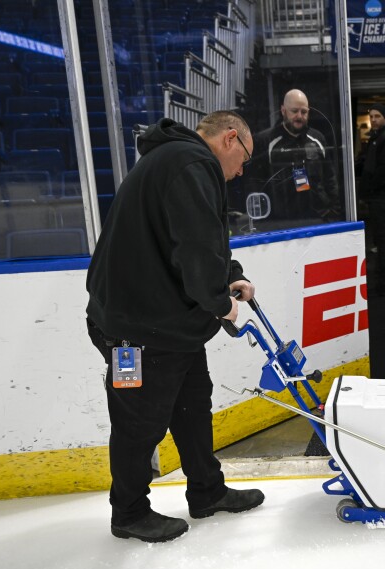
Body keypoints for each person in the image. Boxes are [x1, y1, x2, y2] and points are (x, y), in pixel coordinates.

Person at [85, 111, 264, 543]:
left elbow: (191, 238)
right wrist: (220, 302)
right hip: (139, 331)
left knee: (191, 409)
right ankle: (128, 512)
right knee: (138, 423)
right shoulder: (190, 163)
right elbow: (196, 247)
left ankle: (207, 491)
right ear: (230, 138)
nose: (241, 170)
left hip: (166, 325)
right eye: (244, 158)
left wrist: (229, 274)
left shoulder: (177, 161)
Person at [247, 89, 339, 222]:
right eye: (294, 111)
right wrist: (261, 219)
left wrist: (334, 211)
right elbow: (254, 182)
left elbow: (330, 177)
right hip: (280, 222)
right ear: (283, 111)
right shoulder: (265, 141)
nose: (300, 116)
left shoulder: (318, 139)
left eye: (304, 112)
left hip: (318, 217)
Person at [357, 103, 385, 297]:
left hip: (382, 197)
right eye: (371, 116)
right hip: (377, 196)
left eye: (377, 116)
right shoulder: (377, 137)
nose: (373, 119)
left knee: (384, 240)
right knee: (382, 240)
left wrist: (370, 188)